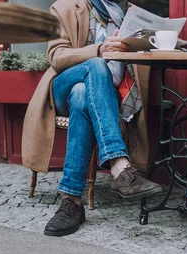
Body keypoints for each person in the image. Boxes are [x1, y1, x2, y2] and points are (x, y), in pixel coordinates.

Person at [22, 0, 161, 237]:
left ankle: (71, 202)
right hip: (63, 86)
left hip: (104, 96)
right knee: (95, 67)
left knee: (82, 97)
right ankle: (119, 165)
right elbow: (56, 55)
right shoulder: (64, 7)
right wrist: (99, 50)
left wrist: (182, 43)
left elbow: (155, 43)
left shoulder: (129, 14)